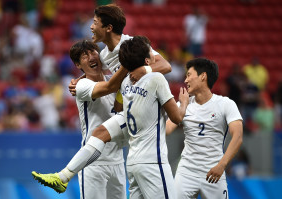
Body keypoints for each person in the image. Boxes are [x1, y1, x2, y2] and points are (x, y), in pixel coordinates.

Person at [32, 4, 171, 196]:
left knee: (102, 132)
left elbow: (165, 65)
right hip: (110, 145)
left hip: (142, 109)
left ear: (108, 27)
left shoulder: (131, 46)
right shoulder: (104, 56)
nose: (91, 26)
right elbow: (107, 82)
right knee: (100, 133)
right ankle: (62, 176)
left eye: (95, 22)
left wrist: (140, 70)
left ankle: (62, 176)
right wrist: (80, 81)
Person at [33, 40, 129, 198]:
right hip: (92, 162)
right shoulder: (81, 85)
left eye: (93, 52)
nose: (91, 57)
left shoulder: (114, 80)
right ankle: (62, 177)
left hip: (117, 160)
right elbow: (108, 87)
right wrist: (127, 64)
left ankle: (62, 177)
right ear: (78, 65)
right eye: (85, 56)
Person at [118, 36, 189, 199]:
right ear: (147, 61)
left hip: (133, 162)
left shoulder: (126, 83)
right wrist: (183, 103)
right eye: (151, 52)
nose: (155, 55)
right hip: (153, 162)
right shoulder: (156, 79)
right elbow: (177, 117)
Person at [166, 58, 243, 199]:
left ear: (203, 76)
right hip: (186, 172)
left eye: (189, 75)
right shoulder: (183, 104)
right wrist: (182, 105)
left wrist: (222, 165)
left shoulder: (226, 104)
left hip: (214, 171)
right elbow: (166, 130)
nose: (186, 80)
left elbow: (237, 136)